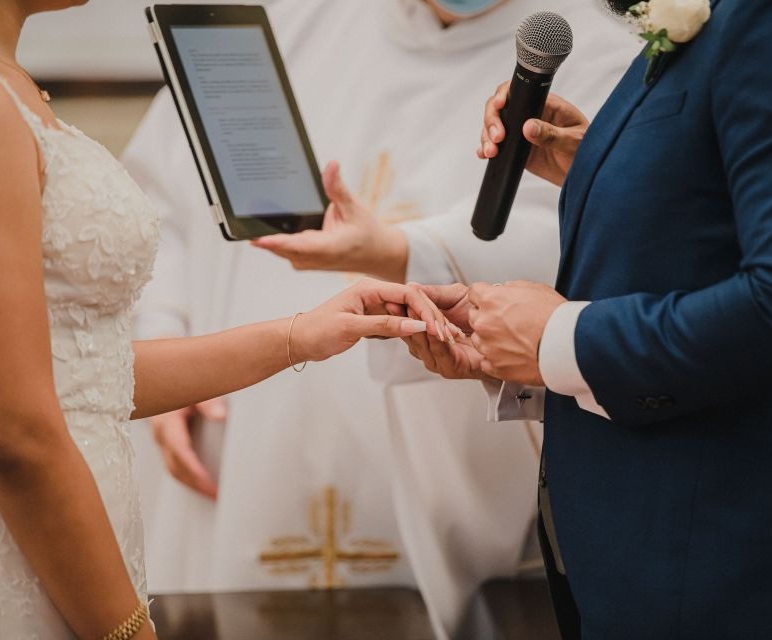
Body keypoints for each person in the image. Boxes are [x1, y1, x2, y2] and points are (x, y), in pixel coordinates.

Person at [123, 0, 637, 635]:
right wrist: (165, 334)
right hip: (248, 437)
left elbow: (603, 245)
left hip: (449, 456)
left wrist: (402, 251)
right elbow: (160, 196)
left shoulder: (608, 51)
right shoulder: (296, 17)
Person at [0, 1, 444, 637]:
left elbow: (84, 373)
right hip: (20, 549)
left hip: (69, 543)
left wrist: (302, 334)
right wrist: (124, 629)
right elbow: (13, 433)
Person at [404, 0, 772, 637]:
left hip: (747, 583)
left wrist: (557, 341)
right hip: (655, 576)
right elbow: (716, 229)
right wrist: (613, 168)